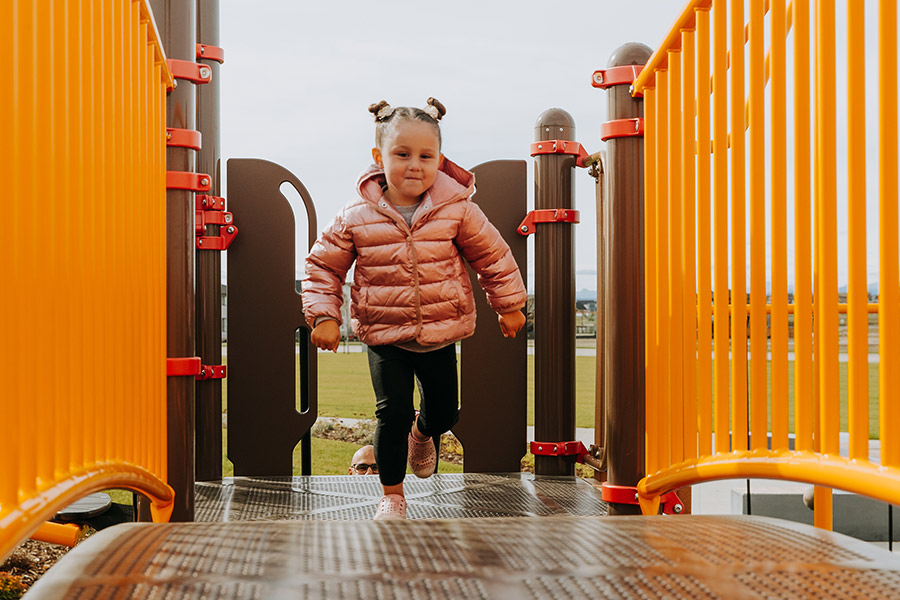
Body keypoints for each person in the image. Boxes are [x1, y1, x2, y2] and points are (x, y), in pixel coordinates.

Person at [302, 98, 527, 520]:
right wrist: (325, 316)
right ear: (378, 158)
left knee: (445, 411)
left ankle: (423, 433)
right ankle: (392, 495)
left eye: (426, 156)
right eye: (401, 154)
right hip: (384, 333)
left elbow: (493, 256)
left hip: (439, 333)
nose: (414, 165)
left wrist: (509, 304)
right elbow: (322, 266)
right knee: (392, 411)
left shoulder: (457, 209)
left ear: (440, 160)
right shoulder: (356, 215)